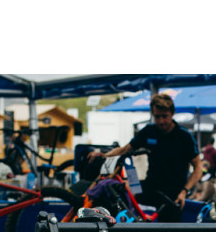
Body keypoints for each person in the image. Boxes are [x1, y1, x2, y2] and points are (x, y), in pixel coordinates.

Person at [87, 93, 202, 222]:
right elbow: (125, 149)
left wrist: (184, 191)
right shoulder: (149, 131)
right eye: (157, 117)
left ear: (172, 114)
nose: (161, 121)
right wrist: (103, 155)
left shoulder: (184, 137)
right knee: (117, 191)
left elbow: (198, 168)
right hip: (151, 187)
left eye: (165, 116)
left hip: (173, 195)